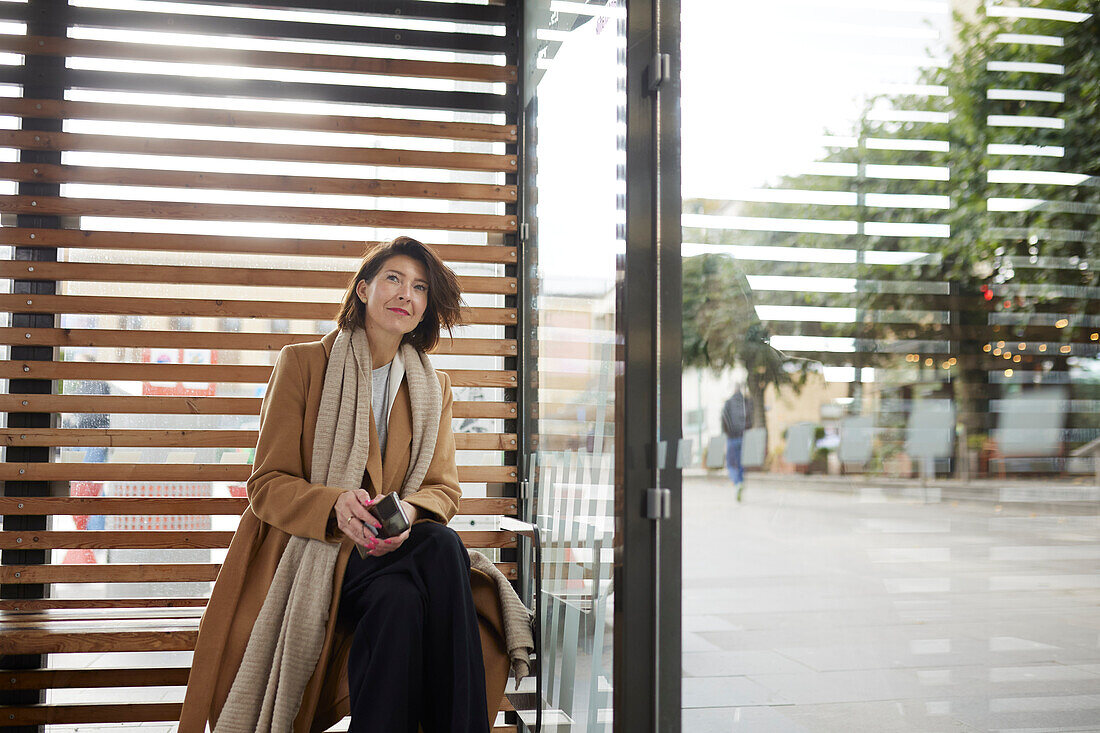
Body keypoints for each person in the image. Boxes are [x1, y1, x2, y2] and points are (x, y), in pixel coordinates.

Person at [179, 237, 511, 733]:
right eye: (393, 279)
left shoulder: (432, 386)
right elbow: (266, 483)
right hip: (314, 555)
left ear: (424, 310)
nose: (406, 294)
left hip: (396, 552)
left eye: (420, 287)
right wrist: (335, 507)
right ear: (362, 289)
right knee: (442, 548)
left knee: (400, 601)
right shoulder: (303, 363)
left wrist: (406, 518)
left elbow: (443, 489)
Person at [721, 386, 754, 502]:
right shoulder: (746, 403)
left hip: (731, 438)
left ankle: (736, 482)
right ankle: (740, 481)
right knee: (741, 464)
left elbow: (724, 418)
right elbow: (750, 420)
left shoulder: (728, 403)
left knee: (730, 464)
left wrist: (726, 432)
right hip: (743, 438)